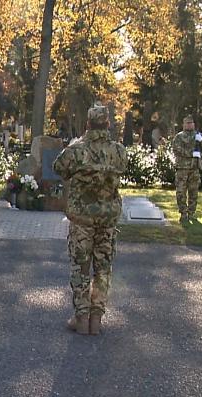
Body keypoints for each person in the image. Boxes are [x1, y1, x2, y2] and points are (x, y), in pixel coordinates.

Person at [53, 105, 127, 336]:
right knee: (103, 269)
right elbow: (123, 168)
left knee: (81, 267)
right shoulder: (118, 151)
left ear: (87, 124)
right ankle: (97, 319)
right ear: (107, 124)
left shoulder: (76, 150)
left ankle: (81, 318)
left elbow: (58, 168)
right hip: (107, 219)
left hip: (82, 219)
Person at [172, 115, 202, 225]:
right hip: (182, 168)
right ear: (184, 124)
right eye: (187, 123)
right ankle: (183, 213)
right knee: (181, 192)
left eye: (191, 123)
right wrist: (191, 153)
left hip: (195, 168)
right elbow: (177, 149)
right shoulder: (179, 137)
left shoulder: (199, 135)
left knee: (193, 192)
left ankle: (191, 213)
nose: (189, 125)